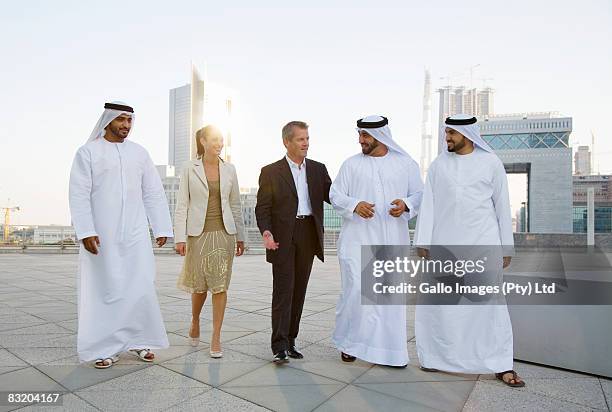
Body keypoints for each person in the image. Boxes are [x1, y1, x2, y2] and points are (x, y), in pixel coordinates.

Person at [413, 114, 525, 387]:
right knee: (441, 306)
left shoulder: (491, 163)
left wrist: (505, 248)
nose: (447, 138)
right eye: (446, 132)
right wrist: (423, 242)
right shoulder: (439, 165)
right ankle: (435, 358)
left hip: (482, 245)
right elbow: (429, 205)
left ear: (467, 134)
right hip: (444, 245)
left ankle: (500, 364)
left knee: (490, 307)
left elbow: (501, 206)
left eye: (452, 133)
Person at [69, 102, 173, 369]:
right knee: (106, 288)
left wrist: (161, 226)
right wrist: (86, 230)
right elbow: (78, 194)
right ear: (108, 121)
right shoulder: (88, 152)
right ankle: (104, 347)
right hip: (101, 234)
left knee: (140, 285)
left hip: (136, 232)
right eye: (121, 120)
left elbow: (152, 191)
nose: (126, 125)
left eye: (130, 120)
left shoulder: (139, 153)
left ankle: (140, 340)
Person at [330, 115, 423, 367]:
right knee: (356, 293)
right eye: (360, 135)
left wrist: (406, 205)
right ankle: (350, 344)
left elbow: (419, 194)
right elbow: (335, 194)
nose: (360, 140)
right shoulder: (350, 165)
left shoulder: (406, 164)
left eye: (365, 136)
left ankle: (390, 352)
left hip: (392, 241)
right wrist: (354, 204)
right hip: (357, 241)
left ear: (380, 136)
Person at [255, 121, 331, 363]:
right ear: (287, 142)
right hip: (282, 237)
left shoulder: (318, 170)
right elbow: (263, 208)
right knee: (283, 291)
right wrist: (266, 233)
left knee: (299, 291)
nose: (306, 143)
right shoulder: (271, 171)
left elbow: (335, 195)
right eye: (300, 139)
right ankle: (279, 345)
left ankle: (291, 341)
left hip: (308, 233)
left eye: (307, 138)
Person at [174, 125, 245, 358]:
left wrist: (241, 237)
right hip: (198, 234)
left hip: (224, 234)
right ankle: (195, 321)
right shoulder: (189, 168)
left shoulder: (230, 169)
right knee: (199, 286)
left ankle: (216, 336)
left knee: (220, 285)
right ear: (202, 141)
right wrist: (179, 237)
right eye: (214, 139)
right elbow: (182, 204)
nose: (219, 143)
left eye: (221, 139)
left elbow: (235, 205)